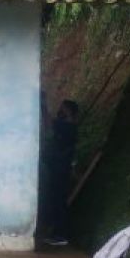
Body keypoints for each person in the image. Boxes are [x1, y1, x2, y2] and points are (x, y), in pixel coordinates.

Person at [41, 99, 79, 246]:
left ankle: (60, 235)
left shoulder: (68, 126)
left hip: (61, 170)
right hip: (58, 169)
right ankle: (56, 233)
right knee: (56, 201)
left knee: (59, 202)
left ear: (68, 111)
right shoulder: (67, 126)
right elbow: (48, 126)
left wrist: (44, 106)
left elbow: (49, 123)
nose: (60, 111)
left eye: (62, 109)